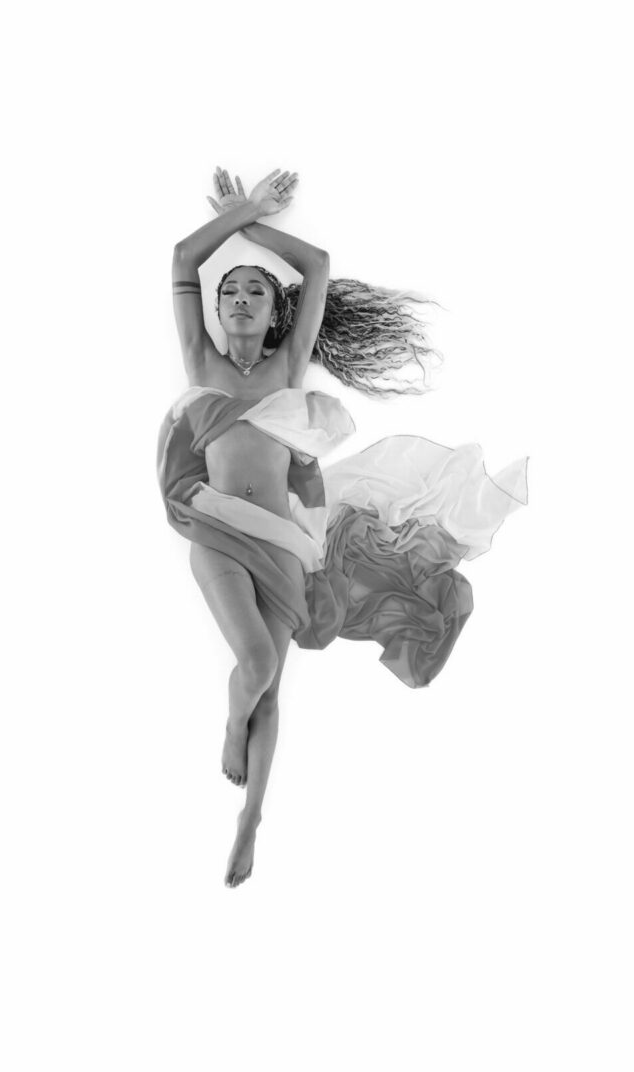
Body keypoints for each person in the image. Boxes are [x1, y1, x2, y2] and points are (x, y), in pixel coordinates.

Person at [158, 167, 529, 888]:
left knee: (271, 685)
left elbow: (318, 266)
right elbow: (182, 259)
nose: (240, 299)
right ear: (216, 310)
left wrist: (253, 224)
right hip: (218, 531)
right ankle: (232, 727)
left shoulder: (287, 369)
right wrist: (243, 212)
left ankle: (251, 818)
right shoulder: (200, 360)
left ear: (277, 313)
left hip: (284, 542)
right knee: (256, 665)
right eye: (230, 292)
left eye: (256, 291)